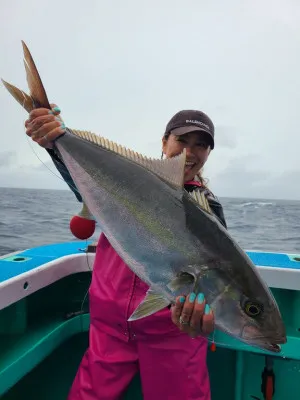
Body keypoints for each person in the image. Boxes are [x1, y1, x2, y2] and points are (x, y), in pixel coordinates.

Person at [25, 107, 227, 400]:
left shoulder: (207, 207)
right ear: (164, 141)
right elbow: (83, 183)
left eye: (201, 144)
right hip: (108, 324)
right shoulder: (125, 179)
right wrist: (55, 140)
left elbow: (214, 277)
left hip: (169, 331)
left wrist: (204, 318)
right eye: (183, 140)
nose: (190, 151)